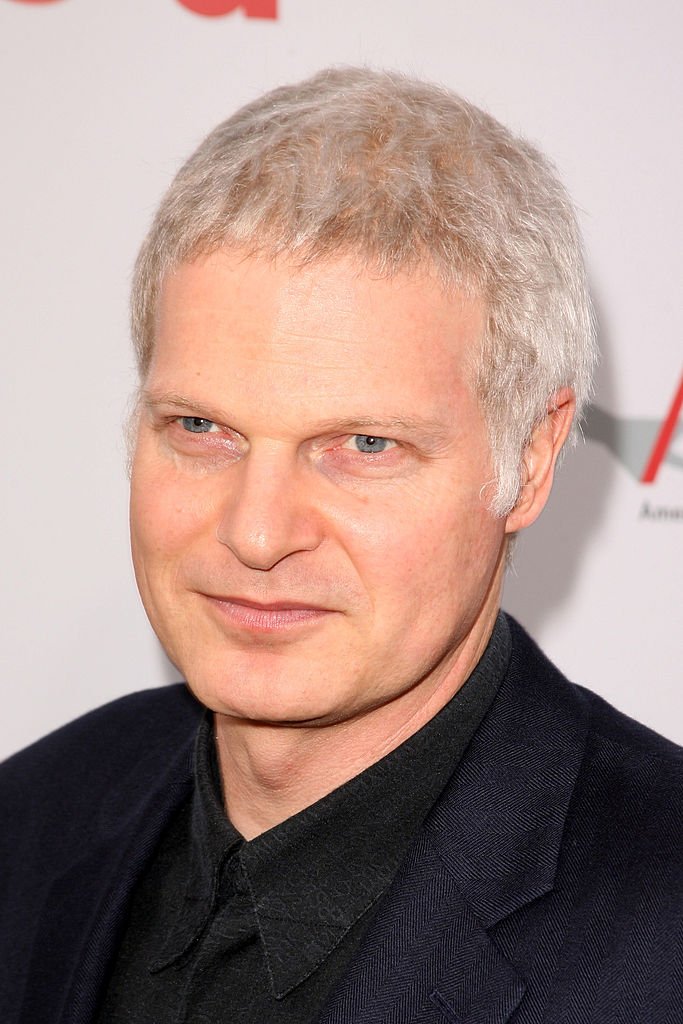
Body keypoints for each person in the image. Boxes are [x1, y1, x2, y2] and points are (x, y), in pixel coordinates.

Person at [1, 67, 681, 1024]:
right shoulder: (32, 816)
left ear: (528, 462)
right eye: (201, 429)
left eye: (364, 446)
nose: (257, 531)